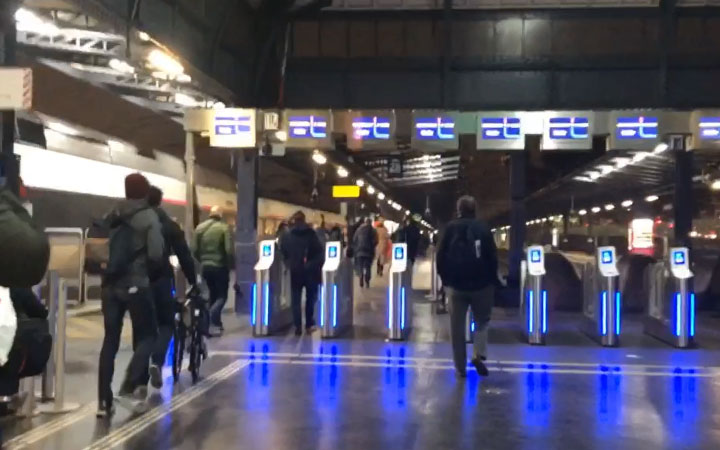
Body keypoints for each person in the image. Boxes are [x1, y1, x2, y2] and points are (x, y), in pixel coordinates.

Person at [97, 173, 164, 416]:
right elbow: (156, 254)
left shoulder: (112, 213)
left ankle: (103, 402)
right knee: (148, 335)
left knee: (110, 341)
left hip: (110, 285)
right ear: (145, 193)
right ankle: (132, 381)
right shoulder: (149, 217)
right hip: (136, 284)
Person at [436, 196, 499, 379]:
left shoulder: (449, 228)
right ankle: (478, 354)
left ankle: (460, 368)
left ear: (458, 210)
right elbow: (492, 257)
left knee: (456, 328)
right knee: (482, 322)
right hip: (481, 286)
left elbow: (440, 256)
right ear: (474, 209)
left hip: (456, 286)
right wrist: (491, 280)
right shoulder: (483, 228)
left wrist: (445, 280)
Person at [143, 186, 197, 390]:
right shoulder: (168, 225)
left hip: (138, 282)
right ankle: (157, 361)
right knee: (166, 323)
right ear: (159, 201)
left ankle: (138, 380)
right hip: (161, 281)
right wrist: (193, 281)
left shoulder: (134, 223)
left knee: (144, 328)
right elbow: (184, 256)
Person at [279, 211, 324, 335]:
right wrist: (312, 264)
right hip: (310, 272)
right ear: (304, 220)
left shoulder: (287, 235)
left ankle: (297, 326)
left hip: (295, 271)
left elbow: (282, 251)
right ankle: (309, 324)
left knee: (295, 299)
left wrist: (289, 263)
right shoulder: (311, 234)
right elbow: (319, 253)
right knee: (310, 298)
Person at [193, 206, 233, 334]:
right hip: (219, 266)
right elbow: (228, 251)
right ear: (220, 215)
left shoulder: (199, 228)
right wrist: (230, 264)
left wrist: (202, 260)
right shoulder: (223, 228)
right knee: (222, 296)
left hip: (205, 267)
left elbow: (194, 249)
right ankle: (211, 315)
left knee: (212, 295)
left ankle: (216, 323)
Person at [352, 218, 378, 288]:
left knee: (360, 266)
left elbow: (354, 239)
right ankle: (367, 281)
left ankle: (361, 276)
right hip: (369, 252)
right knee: (368, 267)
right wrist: (372, 246)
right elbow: (376, 241)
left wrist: (357, 247)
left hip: (359, 251)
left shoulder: (359, 230)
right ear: (371, 222)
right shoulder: (373, 230)